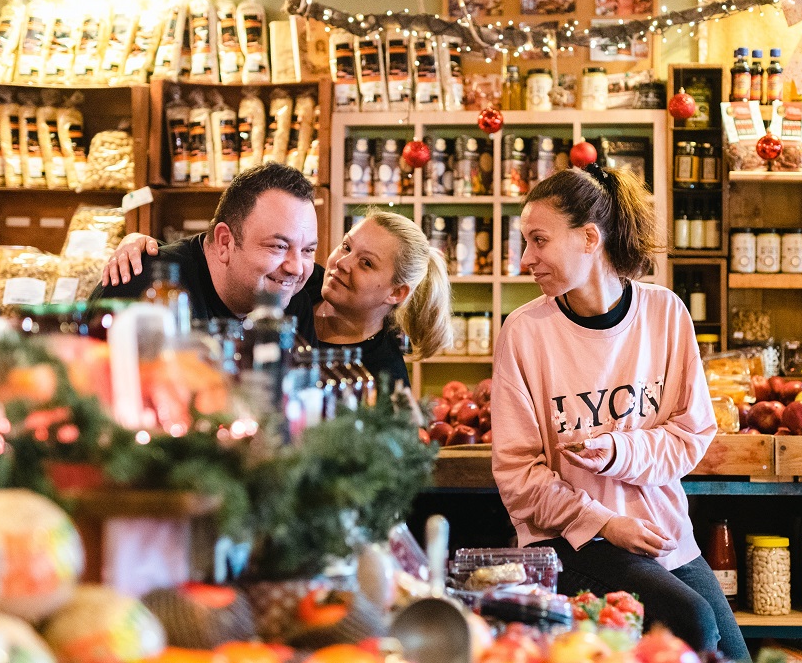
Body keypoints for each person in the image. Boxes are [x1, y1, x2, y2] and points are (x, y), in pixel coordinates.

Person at [490, 163, 749, 662]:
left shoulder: (665, 314)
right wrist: (605, 522)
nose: (527, 259)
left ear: (589, 237)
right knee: (690, 620)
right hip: (574, 538)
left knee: (731, 655)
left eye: (539, 240)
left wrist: (616, 450)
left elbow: (691, 434)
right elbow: (518, 476)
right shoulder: (524, 333)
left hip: (662, 534)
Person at [101, 207, 451, 387]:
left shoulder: (383, 374)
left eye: (366, 263)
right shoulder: (302, 282)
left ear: (396, 292)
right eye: (346, 246)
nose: (341, 263)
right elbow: (227, 253)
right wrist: (145, 246)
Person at [91, 163, 318, 320]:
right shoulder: (144, 289)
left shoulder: (293, 297)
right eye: (279, 247)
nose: (296, 267)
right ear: (225, 242)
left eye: (308, 250)